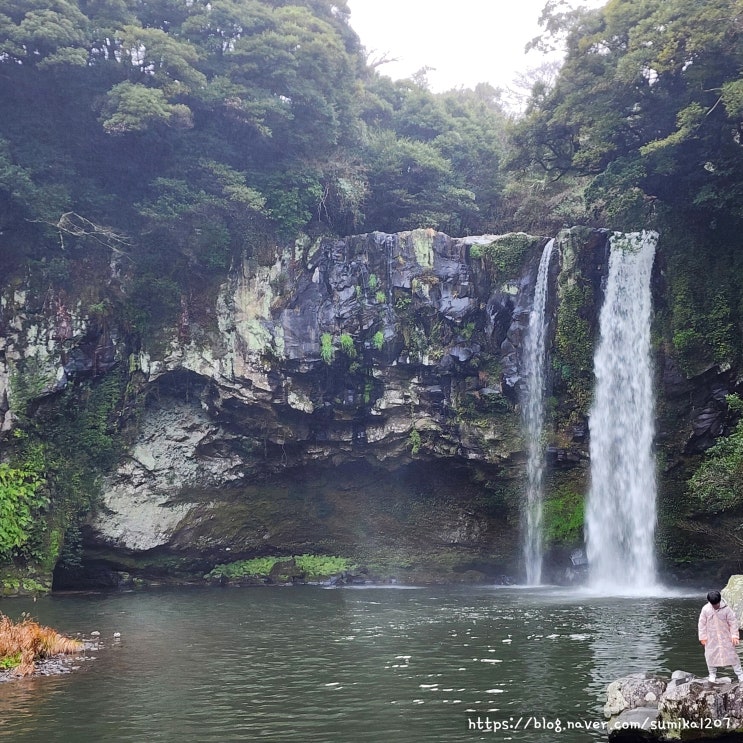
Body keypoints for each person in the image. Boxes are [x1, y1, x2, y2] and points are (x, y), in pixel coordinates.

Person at [698, 589, 743, 683]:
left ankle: (740, 674)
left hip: (726, 636)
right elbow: (701, 624)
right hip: (711, 638)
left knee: (733, 655)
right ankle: (712, 674)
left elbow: (733, 622)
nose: (715, 606)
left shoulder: (727, 609)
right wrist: (702, 637)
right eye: (713, 604)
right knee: (710, 655)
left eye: (717, 604)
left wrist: (734, 635)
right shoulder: (706, 609)